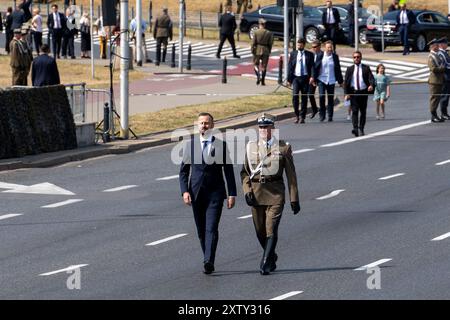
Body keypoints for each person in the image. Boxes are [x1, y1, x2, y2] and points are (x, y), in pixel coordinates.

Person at [241, 113, 300, 275]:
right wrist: (247, 191)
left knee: (270, 229)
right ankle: (272, 255)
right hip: (256, 193)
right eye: (260, 127)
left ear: (273, 129)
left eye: (266, 127)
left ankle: (265, 262)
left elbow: (291, 175)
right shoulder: (250, 147)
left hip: (275, 193)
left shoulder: (283, 147)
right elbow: (244, 173)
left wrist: (294, 198)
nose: (263, 130)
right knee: (260, 231)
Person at [179, 113, 237, 275]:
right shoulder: (190, 146)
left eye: (207, 123)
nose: (204, 126)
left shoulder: (221, 145)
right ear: (197, 125)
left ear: (212, 126)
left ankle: (208, 261)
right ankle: (207, 255)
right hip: (196, 193)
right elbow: (183, 172)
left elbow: (229, 170)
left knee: (211, 227)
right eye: (201, 123)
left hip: (215, 194)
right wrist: (184, 191)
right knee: (201, 230)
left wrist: (232, 193)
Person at [344, 51, 375, 137]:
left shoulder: (366, 68)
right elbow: (346, 82)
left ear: (361, 58)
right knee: (354, 111)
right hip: (354, 93)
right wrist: (346, 94)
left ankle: (361, 128)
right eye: (354, 57)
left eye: (358, 57)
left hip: (363, 92)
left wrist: (371, 85)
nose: (356, 58)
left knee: (363, 112)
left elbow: (371, 79)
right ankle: (355, 128)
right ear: (353, 59)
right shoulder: (349, 69)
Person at [313, 40, 343, 122]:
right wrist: (313, 78)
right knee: (322, 96)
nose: (330, 49)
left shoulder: (335, 57)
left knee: (330, 98)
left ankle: (330, 116)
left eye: (331, 47)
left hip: (331, 80)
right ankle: (322, 115)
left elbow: (338, 69)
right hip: (322, 80)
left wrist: (341, 81)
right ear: (325, 48)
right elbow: (315, 68)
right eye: (328, 47)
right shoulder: (320, 55)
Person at [287, 38, 315, 124]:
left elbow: (312, 66)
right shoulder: (293, 54)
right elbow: (290, 66)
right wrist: (289, 79)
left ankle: (302, 117)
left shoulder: (309, 54)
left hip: (305, 78)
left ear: (303, 45)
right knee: (295, 96)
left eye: (300, 44)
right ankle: (297, 115)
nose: (298, 46)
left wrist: (312, 77)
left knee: (304, 98)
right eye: (297, 44)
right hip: (296, 78)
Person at [427, 38, 446, 123]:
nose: (438, 46)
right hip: (434, 81)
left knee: (437, 98)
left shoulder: (436, 55)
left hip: (439, 80)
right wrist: (442, 68)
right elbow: (433, 68)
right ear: (432, 46)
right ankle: (433, 115)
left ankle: (435, 115)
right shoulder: (431, 56)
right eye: (436, 45)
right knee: (434, 98)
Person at [251, 18, 273, 86]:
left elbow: (253, 43)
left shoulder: (256, 32)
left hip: (257, 49)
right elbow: (270, 43)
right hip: (266, 49)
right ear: (264, 25)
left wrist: (252, 50)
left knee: (255, 64)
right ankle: (263, 81)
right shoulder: (269, 32)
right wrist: (269, 50)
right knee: (264, 66)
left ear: (259, 24)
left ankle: (258, 76)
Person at [437, 37, 450, 120]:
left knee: (447, 96)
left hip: (448, 76)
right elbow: (445, 65)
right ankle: (443, 113)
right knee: (444, 96)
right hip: (445, 77)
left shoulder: (445, 52)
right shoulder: (440, 54)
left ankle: (445, 113)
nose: (447, 44)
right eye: (445, 43)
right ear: (441, 44)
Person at [308, 40, 322, 119]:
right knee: (310, 94)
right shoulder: (311, 55)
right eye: (312, 47)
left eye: (315, 47)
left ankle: (321, 111)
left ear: (319, 47)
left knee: (321, 95)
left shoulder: (322, 55)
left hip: (319, 78)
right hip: (312, 77)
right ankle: (315, 109)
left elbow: (317, 67)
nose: (313, 48)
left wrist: (314, 78)